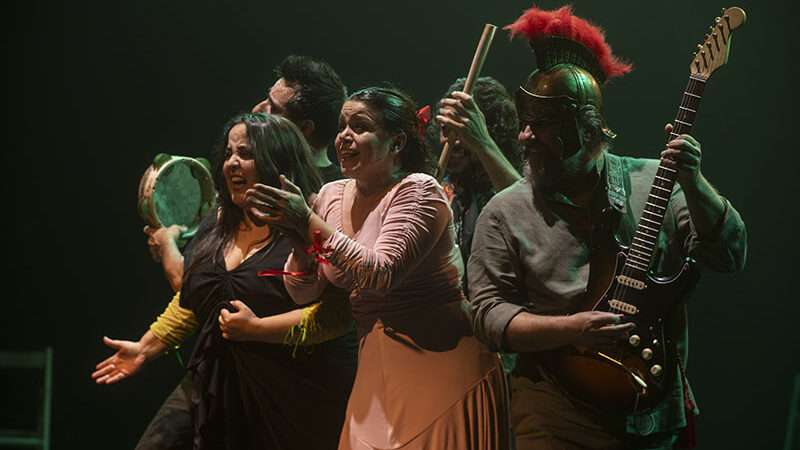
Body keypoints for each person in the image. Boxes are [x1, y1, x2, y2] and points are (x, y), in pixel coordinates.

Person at [467, 5, 747, 450]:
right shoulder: (505, 211)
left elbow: (728, 255)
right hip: (554, 412)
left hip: (651, 415)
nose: (524, 137)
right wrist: (572, 328)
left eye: (541, 126)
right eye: (524, 124)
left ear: (585, 129)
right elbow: (487, 315)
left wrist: (694, 183)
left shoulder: (654, 182)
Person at [93, 55, 352, 450]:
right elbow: (198, 293)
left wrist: (258, 329)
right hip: (216, 375)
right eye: (230, 152)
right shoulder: (224, 215)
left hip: (290, 390)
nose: (259, 109)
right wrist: (146, 346)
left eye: (245, 152)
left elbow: (340, 312)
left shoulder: (325, 207)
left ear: (294, 136)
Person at [248, 86, 510, 450]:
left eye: (359, 126)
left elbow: (379, 274)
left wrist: (307, 222)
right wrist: (299, 239)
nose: (344, 136)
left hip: (441, 364)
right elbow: (303, 292)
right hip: (376, 370)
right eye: (342, 125)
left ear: (397, 142)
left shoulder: (419, 191)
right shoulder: (331, 196)